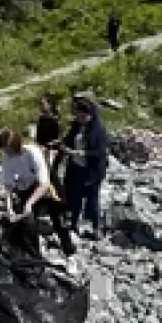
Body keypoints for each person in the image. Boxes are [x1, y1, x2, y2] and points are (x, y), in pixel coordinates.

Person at [0, 128, 76, 260]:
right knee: (28, 223)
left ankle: (70, 254)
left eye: (7, 150)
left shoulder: (32, 152)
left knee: (58, 220)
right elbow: (8, 185)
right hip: (26, 186)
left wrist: (29, 203)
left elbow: (44, 184)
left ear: (15, 146)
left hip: (47, 185)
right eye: (4, 150)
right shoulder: (6, 157)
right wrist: (9, 208)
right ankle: (35, 256)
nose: (5, 153)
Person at [61, 99, 108, 238]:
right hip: (76, 167)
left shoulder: (98, 130)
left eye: (83, 116)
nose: (80, 119)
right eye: (78, 116)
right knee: (74, 197)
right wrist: (63, 145)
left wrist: (81, 153)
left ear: (90, 115)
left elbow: (100, 152)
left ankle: (96, 227)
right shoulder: (76, 127)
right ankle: (73, 223)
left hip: (92, 170)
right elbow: (69, 139)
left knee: (92, 199)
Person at [36, 94, 62, 167]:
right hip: (42, 151)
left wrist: (48, 145)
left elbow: (60, 139)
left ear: (49, 105)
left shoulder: (55, 120)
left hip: (52, 152)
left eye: (42, 104)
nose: (40, 106)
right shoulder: (41, 119)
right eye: (40, 104)